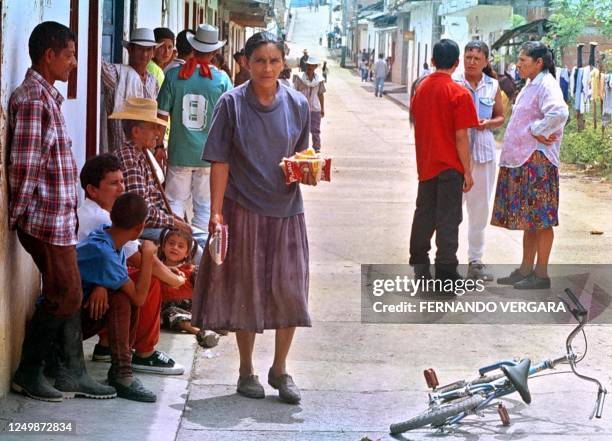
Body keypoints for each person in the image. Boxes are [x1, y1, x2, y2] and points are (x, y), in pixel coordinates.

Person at [192, 31, 316, 405]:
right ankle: (246, 370)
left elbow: (302, 156)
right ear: (245, 62)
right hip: (241, 209)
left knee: (290, 289)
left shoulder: (297, 104)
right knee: (245, 290)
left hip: (287, 211)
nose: (266, 68)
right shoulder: (230, 104)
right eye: (259, 60)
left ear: (284, 63)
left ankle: (280, 369)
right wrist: (215, 212)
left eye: (274, 61)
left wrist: (309, 170)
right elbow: (220, 161)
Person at [8, 21, 116, 402]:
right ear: (49, 55)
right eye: (69, 55)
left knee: (62, 293)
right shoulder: (32, 100)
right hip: (44, 220)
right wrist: (18, 216)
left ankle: (59, 369)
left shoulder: (47, 97)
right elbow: (24, 166)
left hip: (58, 220)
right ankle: (31, 370)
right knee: (68, 295)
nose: (73, 63)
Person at [77, 154, 186, 374]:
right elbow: (142, 259)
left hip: (88, 288)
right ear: (92, 190)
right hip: (83, 301)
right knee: (150, 279)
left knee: (130, 275)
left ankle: (107, 346)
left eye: (122, 181)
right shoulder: (102, 219)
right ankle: (144, 353)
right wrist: (176, 280)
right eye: (113, 183)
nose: (121, 188)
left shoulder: (94, 212)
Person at [491, 41, 569, 289]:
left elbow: (559, 112)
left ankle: (541, 274)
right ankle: (526, 269)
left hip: (538, 163)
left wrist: (537, 130)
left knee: (541, 220)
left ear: (539, 63)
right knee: (531, 219)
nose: (518, 64)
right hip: (525, 161)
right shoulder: (530, 84)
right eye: (519, 59)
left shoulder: (547, 84)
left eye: (523, 60)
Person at [409, 39, 479, 283]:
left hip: (426, 164)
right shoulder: (459, 93)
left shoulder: (421, 89)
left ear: (432, 60)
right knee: (448, 219)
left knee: (424, 216)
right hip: (450, 166)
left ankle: (419, 267)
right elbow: (461, 137)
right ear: (458, 63)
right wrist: (467, 172)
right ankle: (446, 274)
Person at [78, 193, 158, 402]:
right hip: (63, 328)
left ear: (111, 216)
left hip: (76, 317)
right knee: (124, 299)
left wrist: (101, 284)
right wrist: (148, 256)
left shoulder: (109, 238)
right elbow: (140, 298)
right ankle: (122, 372)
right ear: (140, 228)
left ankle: (123, 366)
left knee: (124, 294)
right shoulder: (104, 249)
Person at [158, 24, 233, 234]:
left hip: (179, 152)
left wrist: (158, 145)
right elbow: (230, 121)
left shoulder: (173, 76)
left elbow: (161, 116)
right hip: (210, 156)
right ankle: (200, 254)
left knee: (174, 204)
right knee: (204, 208)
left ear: (193, 48)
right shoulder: (222, 80)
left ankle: (173, 249)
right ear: (215, 52)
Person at [110, 98, 208, 258]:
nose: (158, 133)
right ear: (136, 132)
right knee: (195, 250)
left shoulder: (142, 153)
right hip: (140, 226)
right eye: (153, 128)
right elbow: (141, 212)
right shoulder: (129, 158)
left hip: (154, 222)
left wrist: (172, 219)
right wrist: (173, 222)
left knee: (206, 240)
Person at [454, 41, 505, 281]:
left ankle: (475, 260)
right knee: (452, 209)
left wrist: (488, 124)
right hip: (456, 156)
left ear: (486, 61)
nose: (472, 62)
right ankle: (447, 258)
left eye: (477, 58)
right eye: (468, 57)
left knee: (480, 210)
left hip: (483, 155)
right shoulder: (454, 84)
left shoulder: (492, 85)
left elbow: (500, 117)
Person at [157, 228, 221, 348]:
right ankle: (201, 332)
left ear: (187, 253)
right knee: (172, 315)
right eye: (171, 243)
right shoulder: (156, 268)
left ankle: (214, 323)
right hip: (169, 310)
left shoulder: (191, 270)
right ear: (163, 246)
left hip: (192, 308)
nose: (175, 247)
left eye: (180, 246)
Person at [102, 27, 160, 152]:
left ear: (153, 52)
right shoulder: (116, 74)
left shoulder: (153, 81)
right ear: (130, 50)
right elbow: (96, 61)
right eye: (140, 49)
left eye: (148, 49)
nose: (144, 54)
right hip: (121, 149)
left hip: (146, 151)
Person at [293, 57, 326, 152]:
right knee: (301, 130)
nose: (309, 67)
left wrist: (322, 109)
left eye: (312, 65)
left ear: (315, 67)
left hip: (315, 108)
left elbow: (320, 94)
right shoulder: (299, 78)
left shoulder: (319, 80)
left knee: (315, 131)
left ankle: (317, 150)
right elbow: (295, 92)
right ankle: (301, 150)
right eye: (308, 65)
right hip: (301, 108)